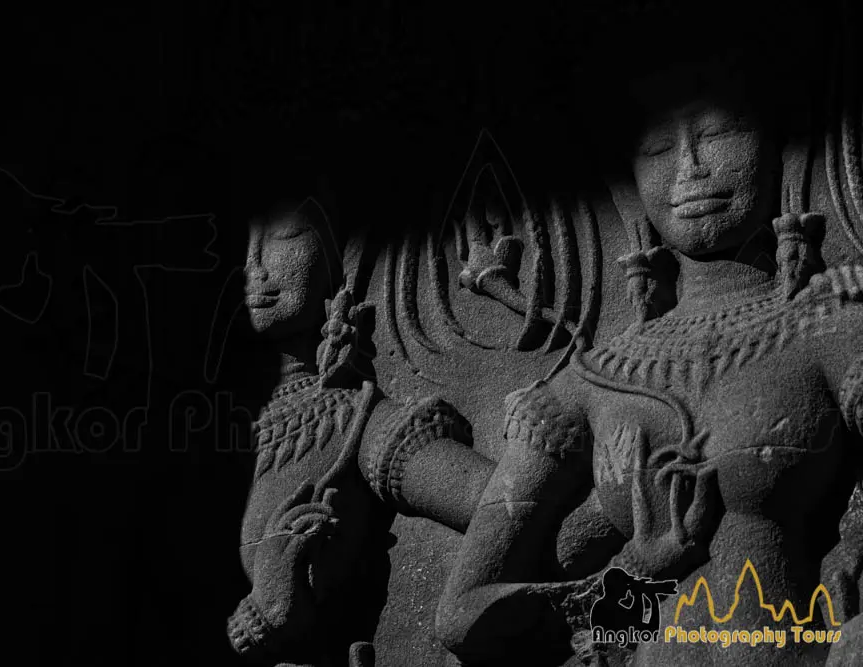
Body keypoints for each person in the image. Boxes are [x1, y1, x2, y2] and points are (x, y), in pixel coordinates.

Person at [435, 82, 863, 666]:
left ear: (780, 148)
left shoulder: (830, 324)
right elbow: (462, 613)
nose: (690, 167)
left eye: (719, 133)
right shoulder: (591, 382)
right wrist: (635, 573)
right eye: (658, 149)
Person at [225, 177, 497, 666]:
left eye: (285, 236)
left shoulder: (354, 419)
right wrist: (263, 613)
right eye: (238, 244)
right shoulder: (190, 430)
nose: (253, 266)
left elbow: (502, 506)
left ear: (340, 259)